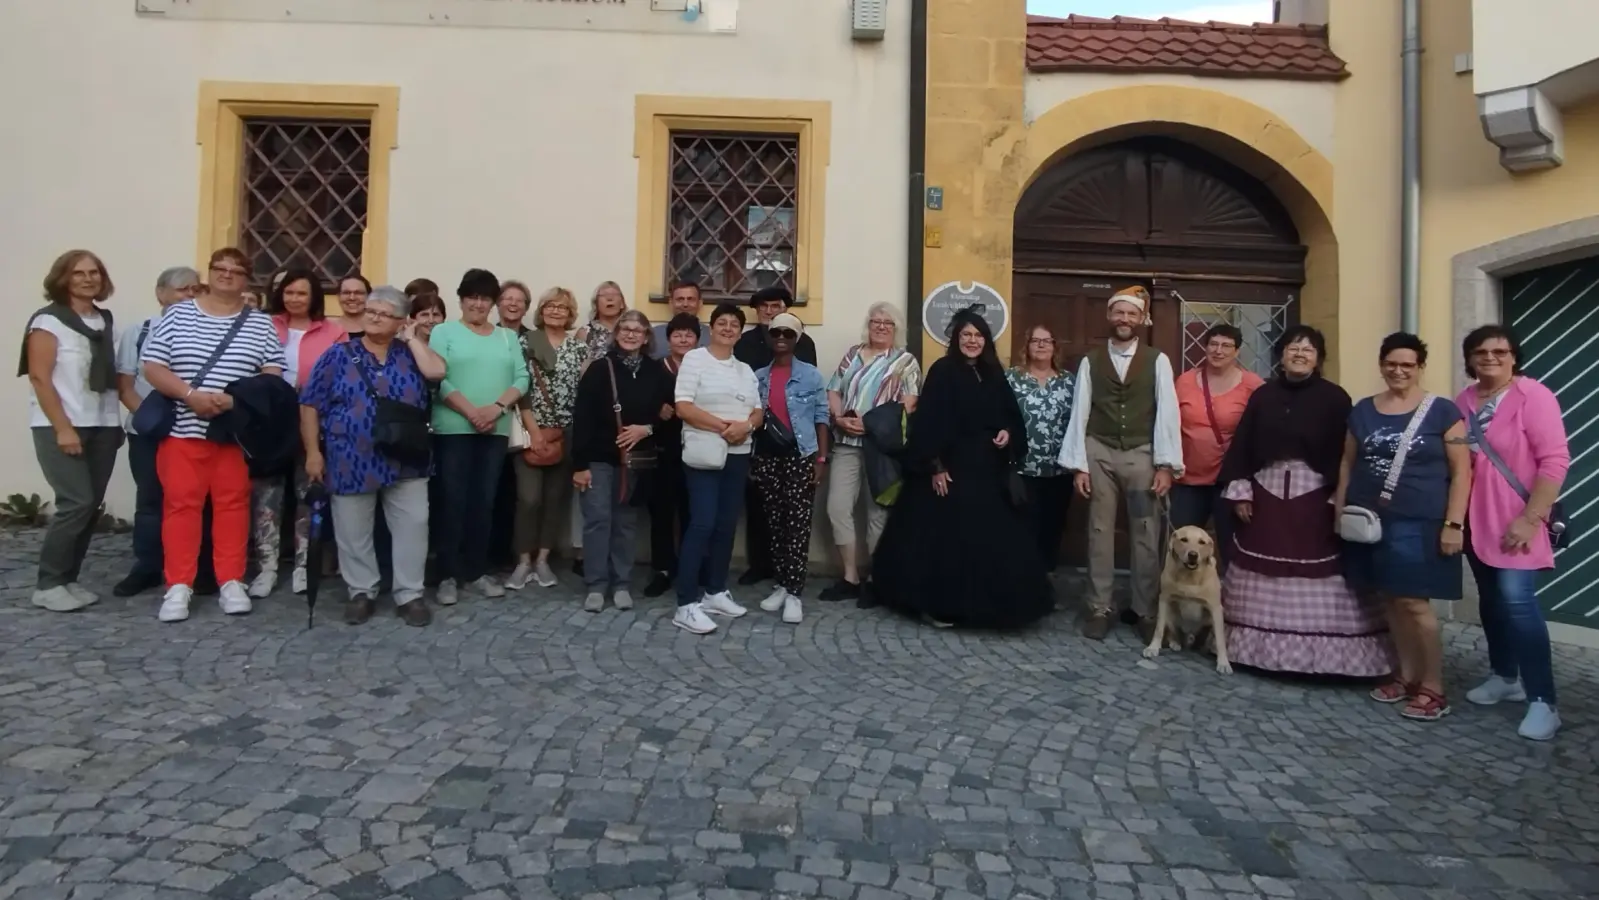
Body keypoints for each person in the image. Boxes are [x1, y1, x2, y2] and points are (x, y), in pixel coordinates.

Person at [1217, 326, 1391, 676]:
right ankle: (1255, 653)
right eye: (1293, 348)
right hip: (1266, 495)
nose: (1300, 354)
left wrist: (1337, 497)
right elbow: (1245, 446)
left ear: (1319, 358)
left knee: (1323, 569)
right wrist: (1240, 491)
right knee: (1260, 566)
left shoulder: (1335, 398)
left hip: (1315, 496)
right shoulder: (1263, 396)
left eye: (1308, 350)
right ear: (1281, 355)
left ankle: (1325, 659)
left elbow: (1346, 453)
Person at [871, 305, 1052, 629]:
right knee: (943, 542)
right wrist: (935, 466)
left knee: (988, 541)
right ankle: (936, 605)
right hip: (950, 469)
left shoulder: (994, 372)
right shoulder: (943, 370)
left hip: (987, 471)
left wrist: (1006, 432)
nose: (972, 340)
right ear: (956, 339)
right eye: (966, 334)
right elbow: (930, 421)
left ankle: (990, 608)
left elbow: (1010, 416)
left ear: (986, 340)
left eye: (978, 335)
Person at [140, 247, 286, 622]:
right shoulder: (177, 314)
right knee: (181, 506)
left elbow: (272, 372)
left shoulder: (260, 323)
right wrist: (190, 395)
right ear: (209, 273)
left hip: (234, 433)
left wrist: (236, 399)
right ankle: (178, 585)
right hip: (183, 428)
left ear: (246, 279)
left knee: (234, 506)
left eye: (236, 271)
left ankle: (231, 580)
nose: (226, 275)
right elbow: (153, 366)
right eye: (220, 268)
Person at [1338, 332, 1470, 723]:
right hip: (1372, 521)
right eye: (1391, 363)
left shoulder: (1443, 412)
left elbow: (1462, 471)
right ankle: (1407, 674)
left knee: (1415, 602)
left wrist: (1454, 523)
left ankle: (1434, 685)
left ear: (1419, 367)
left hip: (1421, 520)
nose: (1398, 370)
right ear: (1381, 364)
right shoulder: (1363, 410)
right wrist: (1340, 507)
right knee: (1391, 599)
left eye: (1407, 365)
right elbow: (1347, 462)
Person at [301, 286, 446, 627]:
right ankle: (361, 591)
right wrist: (312, 453)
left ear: (400, 321)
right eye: (371, 311)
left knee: (413, 525)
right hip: (350, 454)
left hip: (406, 456)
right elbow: (310, 403)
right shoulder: (338, 355)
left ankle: (409, 594)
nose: (374, 317)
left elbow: (437, 372)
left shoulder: (411, 352)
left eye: (384, 314)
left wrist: (411, 338)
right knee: (353, 529)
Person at [1455, 325, 1570, 741]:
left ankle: (1544, 701)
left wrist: (1530, 517)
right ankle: (1505, 676)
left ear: (1514, 356)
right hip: (1475, 520)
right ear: (1469, 358)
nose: (1490, 358)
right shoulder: (1464, 401)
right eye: (1481, 351)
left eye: (1500, 351)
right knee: (1491, 602)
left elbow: (1555, 461)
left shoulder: (1532, 396)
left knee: (1519, 603)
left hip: (1516, 520)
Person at [1058, 285, 1182, 642]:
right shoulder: (1091, 361)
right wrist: (1079, 465)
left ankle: (1145, 609)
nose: (1125, 319)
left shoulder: (1157, 360)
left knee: (1146, 532)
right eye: (1119, 313)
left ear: (1142, 319)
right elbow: (1080, 411)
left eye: (1132, 314)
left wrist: (1165, 464)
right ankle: (1100, 606)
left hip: (1142, 454)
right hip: (1100, 451)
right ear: (1109, 316)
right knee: (1098, 531)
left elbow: (1167, 413)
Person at [20, 249, 125, 612]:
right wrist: (63, 428)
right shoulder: (48, 322)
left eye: (94, 272)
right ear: (63, 278)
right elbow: (40, 377)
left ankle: (68, 579)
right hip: (62, 424)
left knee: (89, 505)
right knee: (75, 502)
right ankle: (48, 583)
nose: (87, 278)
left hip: (103, 423)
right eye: (78, 273)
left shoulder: (103, 320)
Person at [428, 268, 529, 605]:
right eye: (471, 296)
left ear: (493, 304)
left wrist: (496, 408)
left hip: (495, 429)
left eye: (485, 298)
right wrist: (471, 411)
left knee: (484, 503)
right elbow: (437, 378)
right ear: (461, 299)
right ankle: (446, 574)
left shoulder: (507, 338)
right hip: (454, 428)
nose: (477, 303)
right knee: (451, 501)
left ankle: (475, 570)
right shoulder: (444, 332)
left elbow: (522, 378)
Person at [249, 267, 349, 598]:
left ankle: (305, 566)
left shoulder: (333, 332)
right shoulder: (261, 325)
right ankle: (266, 567)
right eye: (289, 292)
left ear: (314, 297)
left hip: (314, 423)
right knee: (268, 497)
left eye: (301, 293)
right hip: (270, 424)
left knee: (309, 495)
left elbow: (343, 376)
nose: (294, 299)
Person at [821, 302, 922, 603]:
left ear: (896, 328)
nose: (880, 326)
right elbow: (834, 390)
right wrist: (839, 419)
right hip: (847, 444)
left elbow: (910, 403)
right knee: (837, 508)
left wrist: (871, 424)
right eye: (876, 321)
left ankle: (877, 580)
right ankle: (850, 577)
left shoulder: (906, 362)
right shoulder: (852, 354)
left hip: (882, 448)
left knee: (878, 515)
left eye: (887, 323)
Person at [671, 303, 763, 634]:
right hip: (705, 452)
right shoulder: (696, 360)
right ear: (711, 328)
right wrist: (724, 427)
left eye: (734, 324)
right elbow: (683, 406)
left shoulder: (745, 370)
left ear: (740, 332)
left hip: (738, 453)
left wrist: (747, 427)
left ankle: (714, 591)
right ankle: (685, 603)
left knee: (726, 525)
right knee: (702, 523)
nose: (728, 328)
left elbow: (757, 411)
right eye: (722, 323)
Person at [112, 266, 203, 598]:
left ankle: (198, 567)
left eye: (196, 289)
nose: (190, 295)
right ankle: (148, 565)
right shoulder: (139, 330)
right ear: (161, 293)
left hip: (194, 429)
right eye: (183, 289)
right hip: (148, 432)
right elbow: (124, 386)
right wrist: (153, 420)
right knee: (151, 500)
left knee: (195, 500)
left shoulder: (208, 330)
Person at [571, 309, 670, 611]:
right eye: (625, 329)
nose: (630, 334)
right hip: (600, 458)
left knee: (626, 522)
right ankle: (597, 585)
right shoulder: (601, 368)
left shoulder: (656, 371)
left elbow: (669, 413)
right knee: (598, 521)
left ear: (646, 337)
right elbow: (582, 416)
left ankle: (622, 583)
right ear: (616, 335)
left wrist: (647, 428)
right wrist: (579, 465)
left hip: (637, 460)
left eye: (637, 330)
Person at [734, 285, 818, 587]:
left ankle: (789, 574)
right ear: (757, 311)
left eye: (776, 305)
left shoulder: (804, 342)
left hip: (794, 438)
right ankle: (760, 564)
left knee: (792, 511)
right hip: (755, 432)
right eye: (765, 306)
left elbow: (811, 394)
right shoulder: (744, 343)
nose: (770, 311)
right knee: (758, 503)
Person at [751, 312, 830, 624]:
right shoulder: (758, 376)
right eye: (776, 333)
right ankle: (782, 584)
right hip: (768, 456)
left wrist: (821, 459)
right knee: (775, 522)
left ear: (797, 339)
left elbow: (821, 418)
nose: (781, 338)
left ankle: (795, 592)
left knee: (798, 524)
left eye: (788, 333)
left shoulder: (810, 375)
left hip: (800, 456)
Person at [508, 287, 584, 590]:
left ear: (570, 314)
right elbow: (521, 389)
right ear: (541, 311)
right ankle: (523, 561)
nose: (555, 311)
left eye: (562, 308)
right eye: (550, 306)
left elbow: (585, 391)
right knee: (528, 500)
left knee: (555, 500)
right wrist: (535, 433)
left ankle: (543, 560)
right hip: (531, 430)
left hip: (566, 433)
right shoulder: (525, 342)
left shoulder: (579, 349)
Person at [1172, 324, 1263, 572]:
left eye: (1226, 346)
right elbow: (1168, 424)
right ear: (1205, 347)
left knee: (1232, 547)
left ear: (1237, 351)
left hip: (1230, 482)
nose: (1218, 351)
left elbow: (1262, 431)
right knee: (1180, 547)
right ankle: (1177, 601)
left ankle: (1232, 603)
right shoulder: (1186, 381)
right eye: (1213, 344)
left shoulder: (1253, 385)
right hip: (1188, 480)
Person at [1005, 323, 1074, 572]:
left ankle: (1046, 580)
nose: (1042, 345)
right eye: (1036, 341)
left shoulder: (1069, 382)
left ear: (1055, 347)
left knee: (1052, 527)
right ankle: (1023, 583)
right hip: (1023, 468)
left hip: (1060, 470)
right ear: (1027, 346)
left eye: (1047, 341)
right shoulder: (1011, 378)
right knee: (1023, 527)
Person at [642, 313, 700, 598]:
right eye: (678, 334)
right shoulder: (654, 369)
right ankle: (662, 569)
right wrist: (657, 411)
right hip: (662, 450)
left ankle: (691, 568)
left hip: (696, 450)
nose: (683, 339)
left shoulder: (704, 368)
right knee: (662, 514)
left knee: (692, 513)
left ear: (697, 340)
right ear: (669, 339)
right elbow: (640, 402)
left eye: (689, 335)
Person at [649, 279, 710, 359]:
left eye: (690, 299)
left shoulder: (712, 336)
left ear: (700, 303)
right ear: (671, 303)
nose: (685, 304)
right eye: (680, 299)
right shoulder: (654, 335)